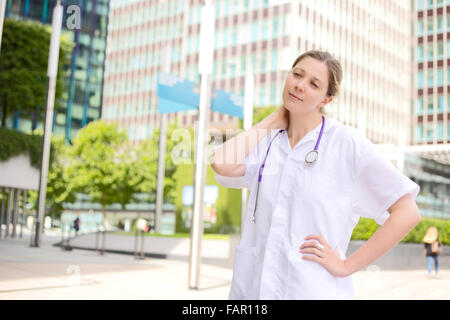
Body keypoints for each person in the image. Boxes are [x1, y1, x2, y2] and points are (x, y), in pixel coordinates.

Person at [211, 50, 422, 300]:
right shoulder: (266, 140)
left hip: (311, 290)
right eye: (297, 75)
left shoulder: (346, 144)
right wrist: (269, 122)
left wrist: (346, 266)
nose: (300, 86)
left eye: (314, 84)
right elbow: (220, 163)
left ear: (327, 99)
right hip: (252, 292)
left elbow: (407, 213)